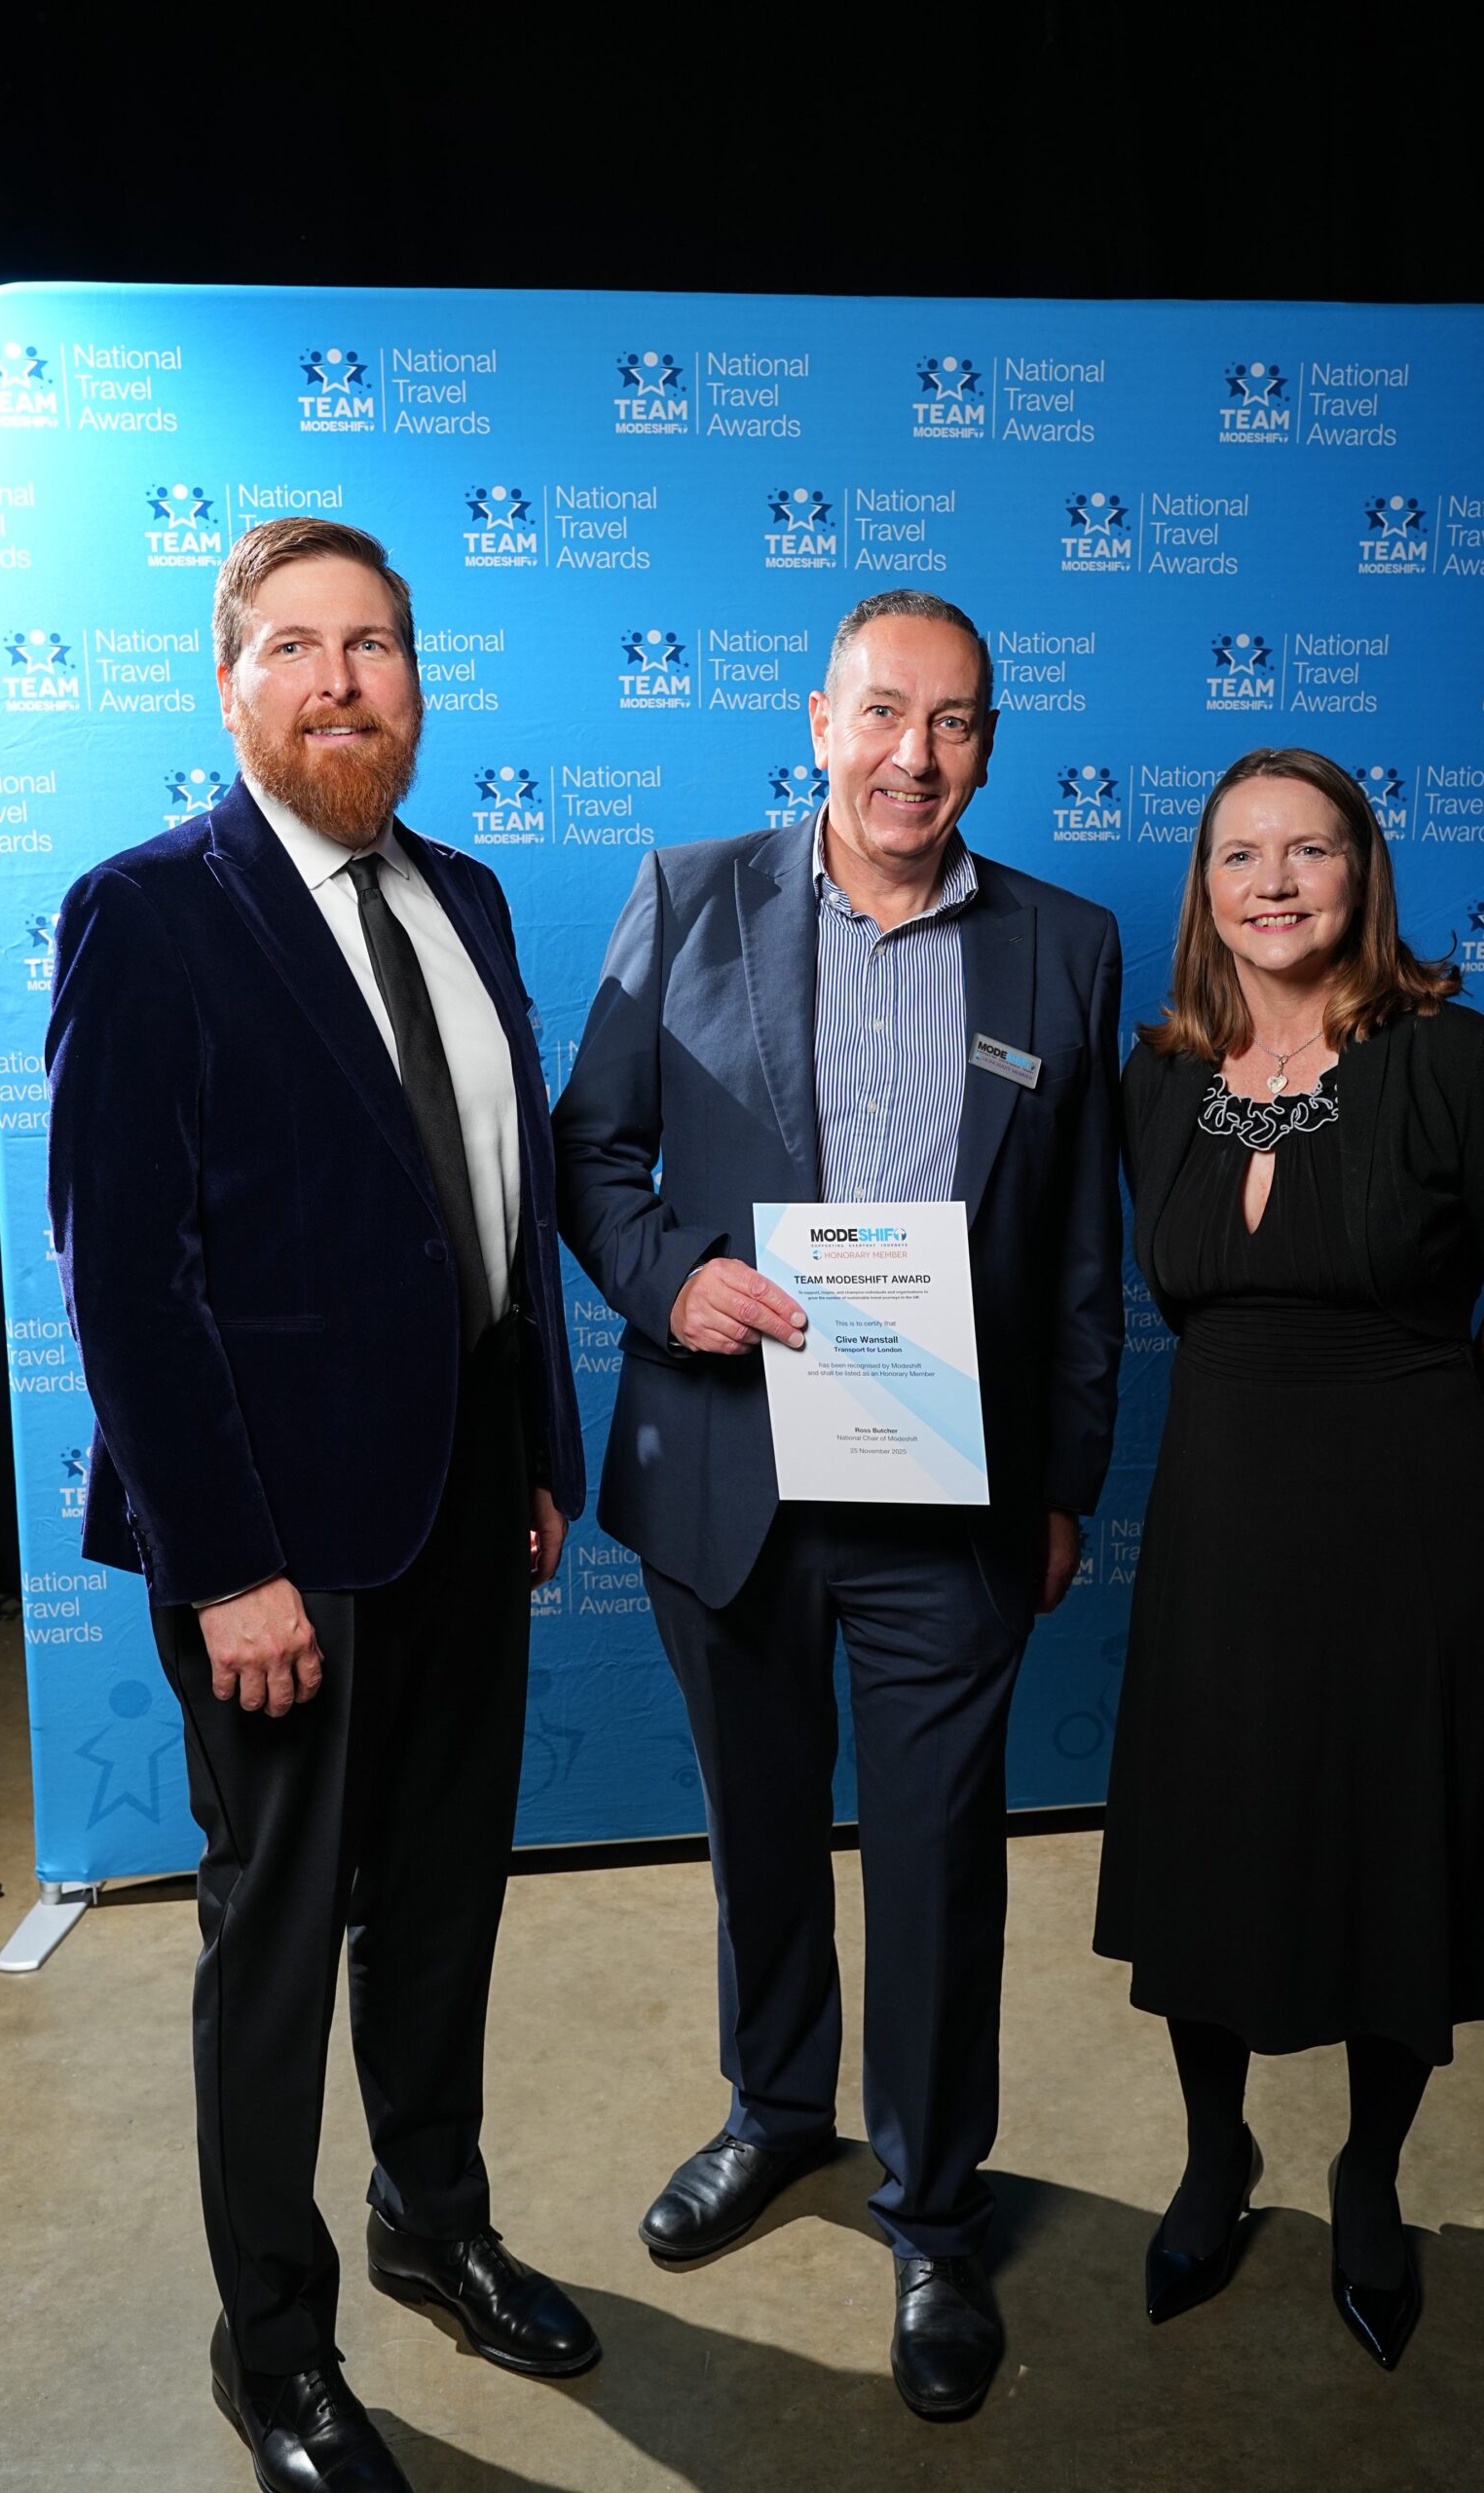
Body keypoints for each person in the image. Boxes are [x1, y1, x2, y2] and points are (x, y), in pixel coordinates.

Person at [47, 519, 598, 2493]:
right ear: (230, 682)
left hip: (463, 1496)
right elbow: (130, 1274)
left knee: (442, 1905)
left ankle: (429, 2221)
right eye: (296, 645)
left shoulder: (468, 890)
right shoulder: (149, 911)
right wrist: (229, 1565)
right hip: (274, 1535)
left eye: (376, 646)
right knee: (275, 1941)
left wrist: (534, 1443)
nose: (342, 681)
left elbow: (497, 1199)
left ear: (418, 681)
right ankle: (269, 2341)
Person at [553, 589, 1123, 2420]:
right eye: (883, 714)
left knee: (946, 1865)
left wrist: (1063, 1487)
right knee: (763, 1834)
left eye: (955, 723)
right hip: (730, 1471)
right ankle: (775, 2113)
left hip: (951, 1503)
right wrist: (667, 1282)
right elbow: (591, 1150)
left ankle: (938, 2213)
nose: (916, 757)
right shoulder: (689, 892)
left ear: (989, 744)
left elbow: (1081, 1255)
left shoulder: (1066, 945)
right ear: (818, 722)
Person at [1093, 746, 1484, 2370]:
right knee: (1211, 1838)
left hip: (1415, 1532)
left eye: (1311, 851)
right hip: (1222, 1518)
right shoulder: (1158, 1077)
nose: (1277, 882)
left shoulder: (1456, 1060)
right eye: (1243, 855)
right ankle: (1216, 2151)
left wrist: (1426, 1416)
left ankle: (1370, 2175)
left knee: (1395, 1849)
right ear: (1206, 889)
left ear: (1363, 876)